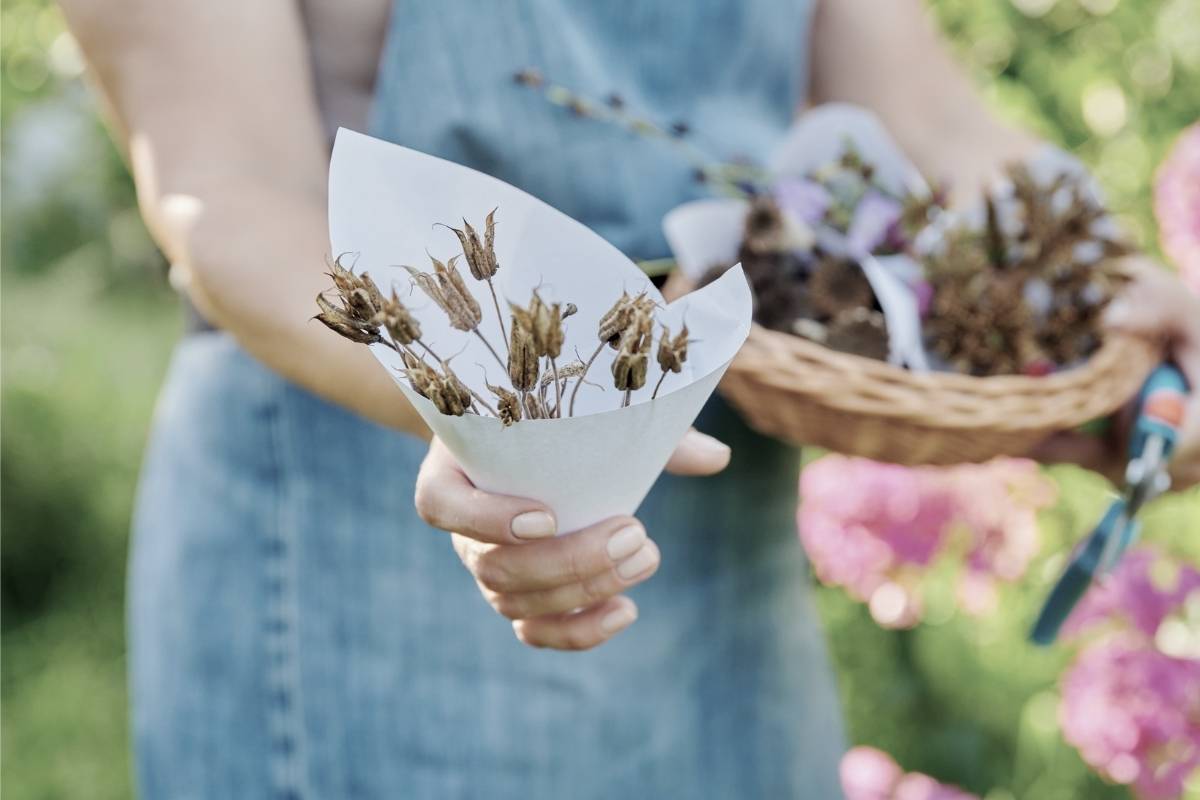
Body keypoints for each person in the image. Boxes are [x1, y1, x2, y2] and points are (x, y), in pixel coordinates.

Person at [58, 0, 1200, 797]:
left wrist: (1104, 299)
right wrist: (504, 407)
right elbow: (234, 197)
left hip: (723, 546)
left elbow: (929, 118)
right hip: (376, 519)